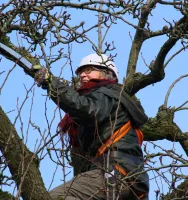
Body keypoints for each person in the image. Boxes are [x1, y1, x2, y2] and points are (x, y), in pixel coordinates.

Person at [34, 53, 149, 200]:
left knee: (55, 197)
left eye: (88, 70)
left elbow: (85, 110)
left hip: (115, 172)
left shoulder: (108, 93)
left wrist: (51, 82)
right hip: (132, 181)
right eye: (80, 72)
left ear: (106, 73)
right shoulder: (113, 102)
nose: (82, 75)